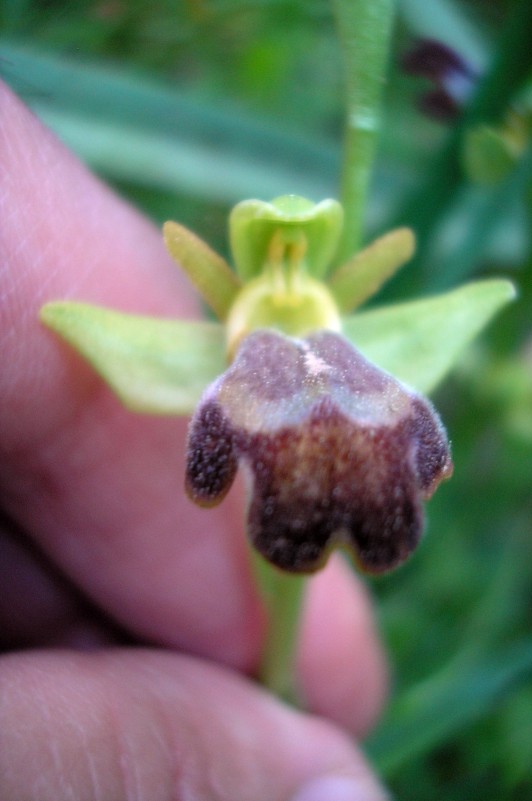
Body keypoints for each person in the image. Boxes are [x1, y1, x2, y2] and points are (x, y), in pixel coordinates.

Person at [0, 81, 389, 801]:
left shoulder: (321, 338)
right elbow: (82, 326)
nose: (286, 279)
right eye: (271, 263)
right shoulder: (232, 344)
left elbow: (444, 325)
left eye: (300, 263)